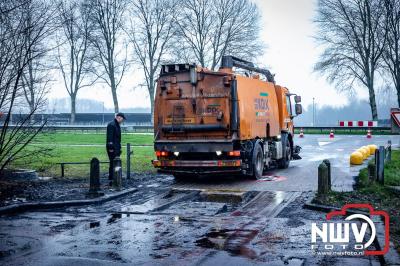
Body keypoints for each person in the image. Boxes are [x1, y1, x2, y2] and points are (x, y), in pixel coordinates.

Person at [106, 112, 126, 185]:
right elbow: (110, 137)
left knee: (116, 163)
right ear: (119, 117)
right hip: (112, 148)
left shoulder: (116, 125)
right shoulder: (112, 125)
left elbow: (117, 138)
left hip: (116, 147)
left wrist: (119, 148)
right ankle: (111, 178)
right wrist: (110, 147)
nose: (122, 121)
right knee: (112, 163)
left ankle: (116, 176)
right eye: (122, 119)